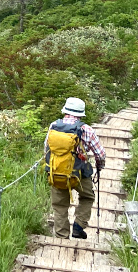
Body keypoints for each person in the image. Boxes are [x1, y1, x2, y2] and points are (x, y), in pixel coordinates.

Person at [44, 97, 106, 239]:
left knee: (59, 206)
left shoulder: (53, 126)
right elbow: (100, 154)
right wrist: (99, 166)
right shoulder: (86, 129)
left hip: (57, 172)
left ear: (65, 111)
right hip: (80, 173)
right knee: (87, 197)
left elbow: (46, 149)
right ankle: (79, 225)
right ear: (81, 114)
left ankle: (61, 237)